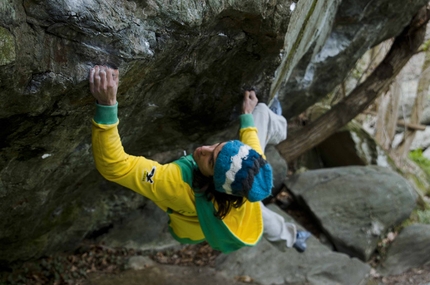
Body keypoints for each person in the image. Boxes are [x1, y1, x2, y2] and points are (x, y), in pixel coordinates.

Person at [89, 65, 311, 253]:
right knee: (260, 112)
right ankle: (281, 126)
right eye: (218, 146)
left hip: (192, 225)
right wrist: (246, 114)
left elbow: (115, 166)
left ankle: (292, 239)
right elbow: (251, 139)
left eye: (210, 161)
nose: (204, 148)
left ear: (216, 183)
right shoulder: (249, 167)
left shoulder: (175, 184)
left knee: (260, 216)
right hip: (235, 197)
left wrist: (107, 107)